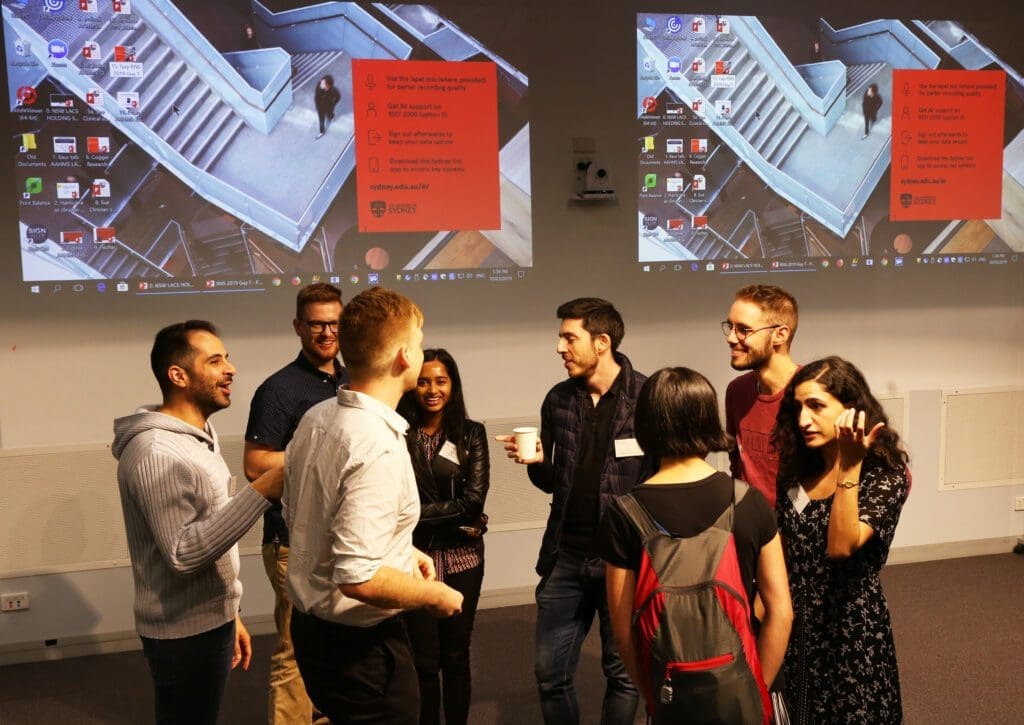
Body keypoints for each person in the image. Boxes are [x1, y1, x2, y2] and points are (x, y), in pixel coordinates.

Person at [284, 287, 463, 724]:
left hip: (313, 634)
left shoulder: (318, 418)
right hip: (360, 651)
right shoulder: (376, 444)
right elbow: (358, 576)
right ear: (404, 356)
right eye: (419, 344)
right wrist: (432, 594)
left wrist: (403, 552)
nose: (421, 353)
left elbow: (309, 515)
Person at [112, 320, 284, 725]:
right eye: (216, 360)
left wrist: (229, 613)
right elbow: (183, 554)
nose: (231, 369)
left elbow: (205, 530)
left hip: (208, 621)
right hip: (182, 634)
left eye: (227, 358)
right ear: (179, 375)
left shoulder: (197, 437)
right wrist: (263, 491)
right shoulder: (157, 451)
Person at [597, 367, 792, 722]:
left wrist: (653, 696)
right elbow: (781, 610)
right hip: (742, 690)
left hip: (671, 696)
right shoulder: (749, 503)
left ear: (645, 425)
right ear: (707, 421)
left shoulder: (624, 515)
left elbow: (623, 631)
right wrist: (752, 686)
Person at [498, 297, 648, 725]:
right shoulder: (559, 400)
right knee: (550, 674)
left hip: (625, 561)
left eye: (569, 337)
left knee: (622, 675)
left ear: (602, 342)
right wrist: (538, 462)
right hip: (566, 556)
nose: (559, 348)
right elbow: (551, 482)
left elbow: (660, 479)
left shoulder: (648, 396)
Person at [774, 356, 909, 724]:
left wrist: (849, 468)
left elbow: (841, 545)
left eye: (816, 406)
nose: (803, 420)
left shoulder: (884, 474)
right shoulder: (798, 470)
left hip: (850, 632)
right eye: (798, 407)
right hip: (796, 626)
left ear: (851, 411)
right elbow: (781, 556)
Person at [244, 283, 347, 725]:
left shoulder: (351, 379)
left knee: (336, 645)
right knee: (293, 649)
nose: (327, 332)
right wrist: (322, 455)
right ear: (299, 327)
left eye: (334, 323)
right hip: (291, 540)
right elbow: (254, 464)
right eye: (317, 323)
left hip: (340, 536)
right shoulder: (279, 389)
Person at [398, 349, 490, 725]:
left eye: (440, 381)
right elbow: (392, 501)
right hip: (413, 559)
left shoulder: (472, 434)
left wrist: (413, 515)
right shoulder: (399, 433)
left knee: (455, 655)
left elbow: (472, 503)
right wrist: (445, 517)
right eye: (423, 381)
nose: (432, 389)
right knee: (422, 659)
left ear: (452, 385)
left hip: (462, 559)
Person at [723, 284, 799, 509]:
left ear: (780, 334)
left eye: (743, 330)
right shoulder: (737, 391)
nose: (730, 338)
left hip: (799, 533)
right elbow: (736, 461)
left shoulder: (814, 394)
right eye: (730, 326)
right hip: (751, 527)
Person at [314, 75, 340, 140]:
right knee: (321, 120)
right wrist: (317, 106)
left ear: (328, 85)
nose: (321, 83)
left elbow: (338, 96)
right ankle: (322, 132)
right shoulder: (319, 87)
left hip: (329, 106)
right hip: (321, 108)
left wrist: (333, 103)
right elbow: (316, 97)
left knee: (330, 114)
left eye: (323, 83)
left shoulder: (333, 90)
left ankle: (331, 117)